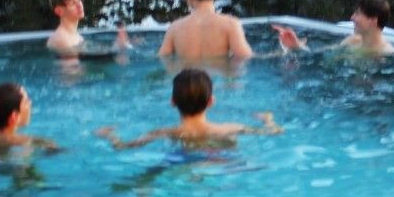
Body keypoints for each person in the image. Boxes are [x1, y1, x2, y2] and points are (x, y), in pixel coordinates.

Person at [97, 68, 281, 149]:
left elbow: (123, 147)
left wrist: (109, 135)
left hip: (182, 160)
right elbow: (274, 133)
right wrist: (268, 119)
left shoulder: (163, 133)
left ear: (172, 102)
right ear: (211, 102)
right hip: (223, 161)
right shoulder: (230, 128)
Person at [159, 0, 254, 61]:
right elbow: (245, 57)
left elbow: (162, 59)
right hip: (217, 75)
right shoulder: (230, 24)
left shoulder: (175, 27)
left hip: (185, 76)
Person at [272, 0, 394, 57]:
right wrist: (297, 47)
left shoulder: (387, 53)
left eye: (358, 14)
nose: (352, 18)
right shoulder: (352, 41)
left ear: (373, 21)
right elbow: (320, 55)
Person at [46, 0, 130, 60]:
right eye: (73, 3)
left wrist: (118, 46)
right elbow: (71, 72)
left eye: (79, 1)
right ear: (59, 11)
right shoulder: (62, 39)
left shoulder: (74, 37)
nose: (79, 5)